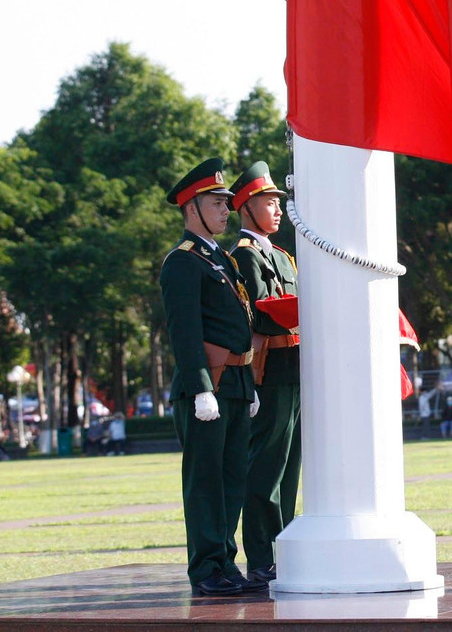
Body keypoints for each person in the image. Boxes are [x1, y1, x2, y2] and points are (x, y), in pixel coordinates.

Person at [159, 157, 264, 597]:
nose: (226, 210)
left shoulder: (221, 260)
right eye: (216, 203)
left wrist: (250, 384)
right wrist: (202, 388)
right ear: (191, 208)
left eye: (225, 202)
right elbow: (184, 332)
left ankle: (225, 561)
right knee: (205, 482)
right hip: (209, 385)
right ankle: (206, 568)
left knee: (231, 480)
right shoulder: (183, 262)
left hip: (236, 382)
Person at [228, 161, 300, 586]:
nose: (277, 209)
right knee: (266, 466)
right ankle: (261, 556)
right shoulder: (244, 256)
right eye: (268, 202)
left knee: (289, 467)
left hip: (294, 367)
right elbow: (259, 313)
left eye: (277, 202)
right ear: (245, 208)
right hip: (268, 370)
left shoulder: (282, 256)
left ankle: (283, 549)